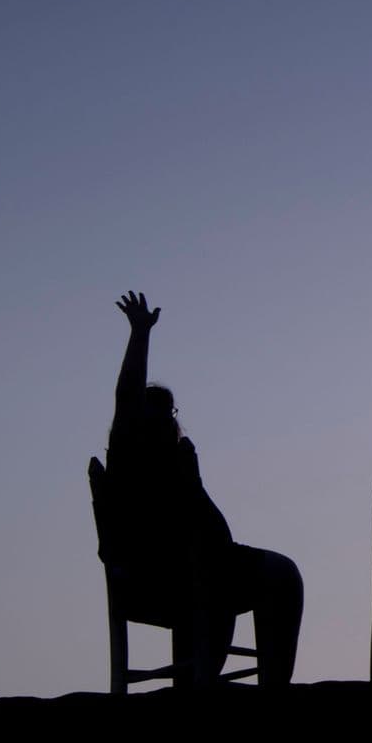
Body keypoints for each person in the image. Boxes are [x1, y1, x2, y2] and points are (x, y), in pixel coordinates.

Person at [102, 291, 303, 688]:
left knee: (234, 587)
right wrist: (140, 334)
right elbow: (126, 395)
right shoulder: (134, 453)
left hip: (199, 570)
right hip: (175, 574)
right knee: (281, 575)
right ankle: (269, 687)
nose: (167, 418)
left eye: (169, 410)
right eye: (157, 409)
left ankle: (202, 681)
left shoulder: (173, 459)